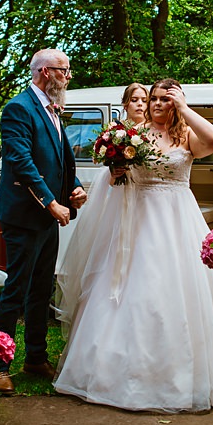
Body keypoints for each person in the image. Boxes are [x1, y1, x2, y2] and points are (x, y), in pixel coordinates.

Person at [53, 78, 213, 413]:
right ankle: (116, 373)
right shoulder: (133, 134)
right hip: (138, 224)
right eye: (154, 99)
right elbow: (118, 178)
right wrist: (117, 170)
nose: (157, 104)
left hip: (179, 221)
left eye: (165, 99)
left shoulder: (185, 135)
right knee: (134, 290)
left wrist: (184, 107)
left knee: (183, 290)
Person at [0, 48, 88, 396]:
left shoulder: (52, 109)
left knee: (41, 289)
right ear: (45, 72)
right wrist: (50, 202)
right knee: (16, 289)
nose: (68, 76)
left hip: (47, 218)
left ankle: (35, 357)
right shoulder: (19, 108)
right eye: (65, 70)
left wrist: (73, 188)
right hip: (25, 216)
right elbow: (21, 161)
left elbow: (60, 161)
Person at [54, 81, 147, 341]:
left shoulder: (153, 131)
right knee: (113, 254)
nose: (140, 104)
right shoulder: (116, 133)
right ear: (125, 104)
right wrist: (114, 170)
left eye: (144, 99)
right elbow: (108, 176)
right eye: (135, 99)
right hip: (120, 198)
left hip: (145, 199)